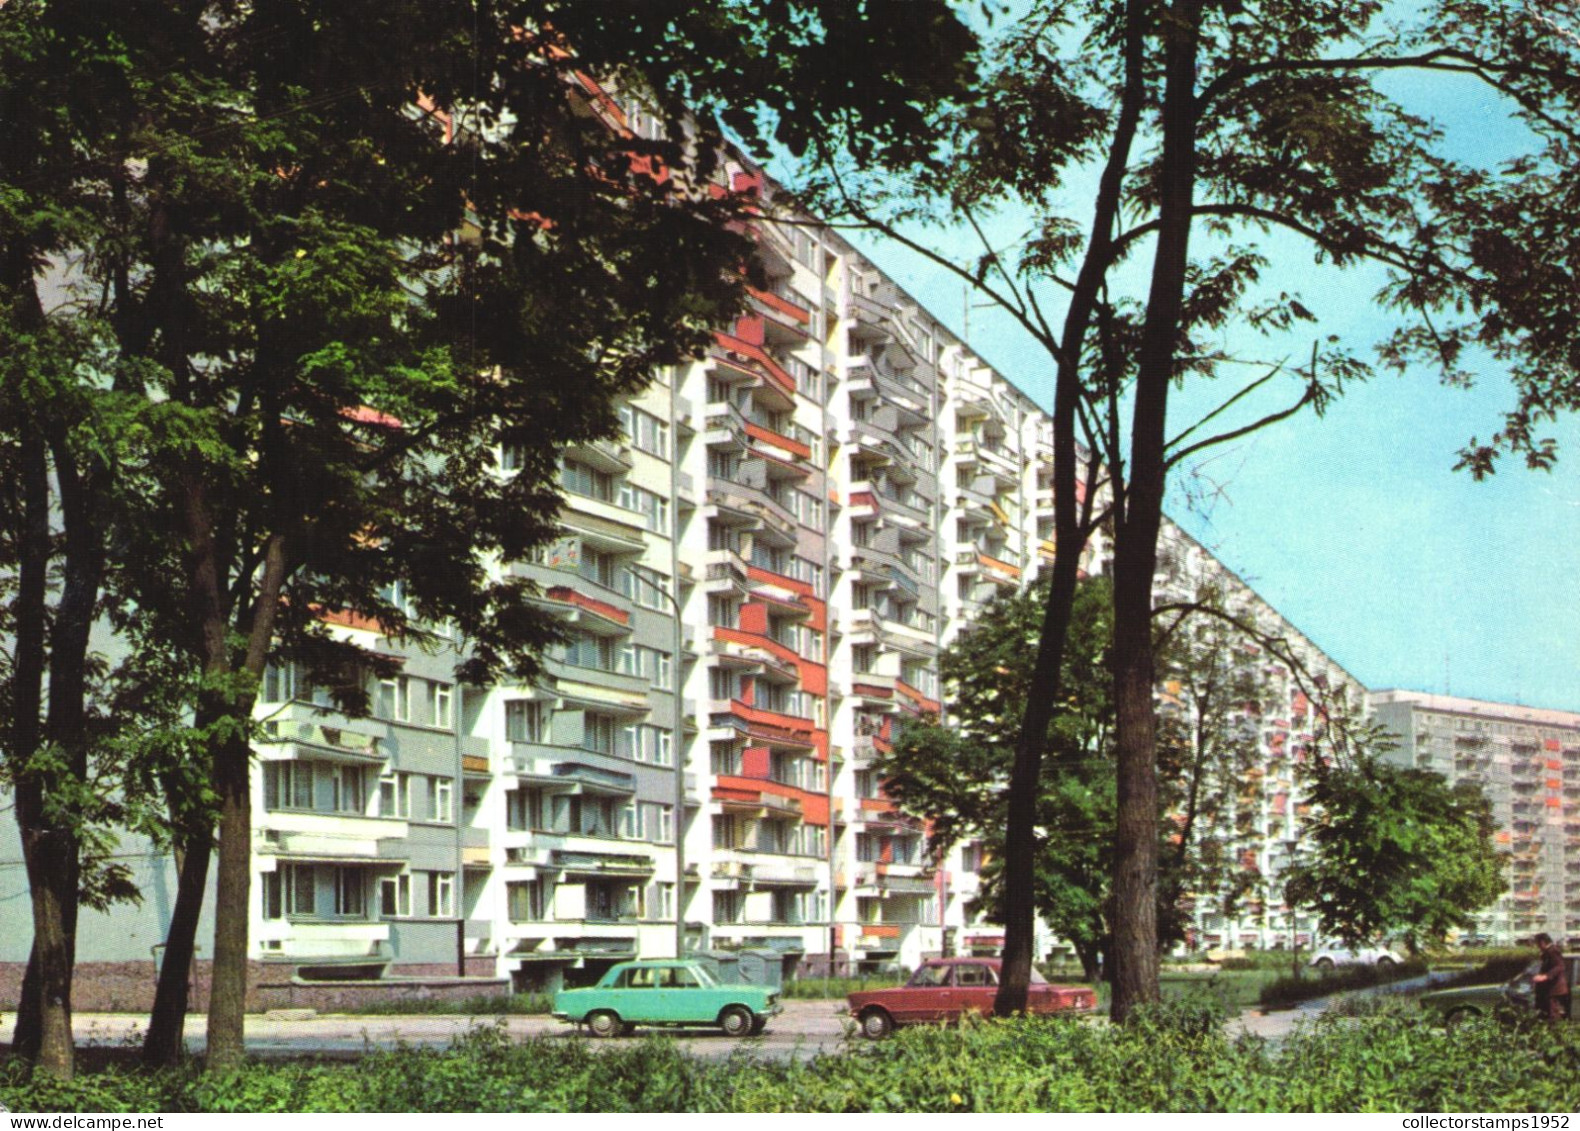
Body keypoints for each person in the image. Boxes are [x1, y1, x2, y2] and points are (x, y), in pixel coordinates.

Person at [1531, 933, 1570, 1021]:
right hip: (1548, 990)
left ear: (1542, 942)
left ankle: (1556, 1032)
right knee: (1547, 1013)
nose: (1537, 946)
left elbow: (1559, 966)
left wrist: (1546, 976)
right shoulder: (1546, 952)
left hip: (1554, 989)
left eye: (1537, 943)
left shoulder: (1553, 951)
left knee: (1553, 1014)